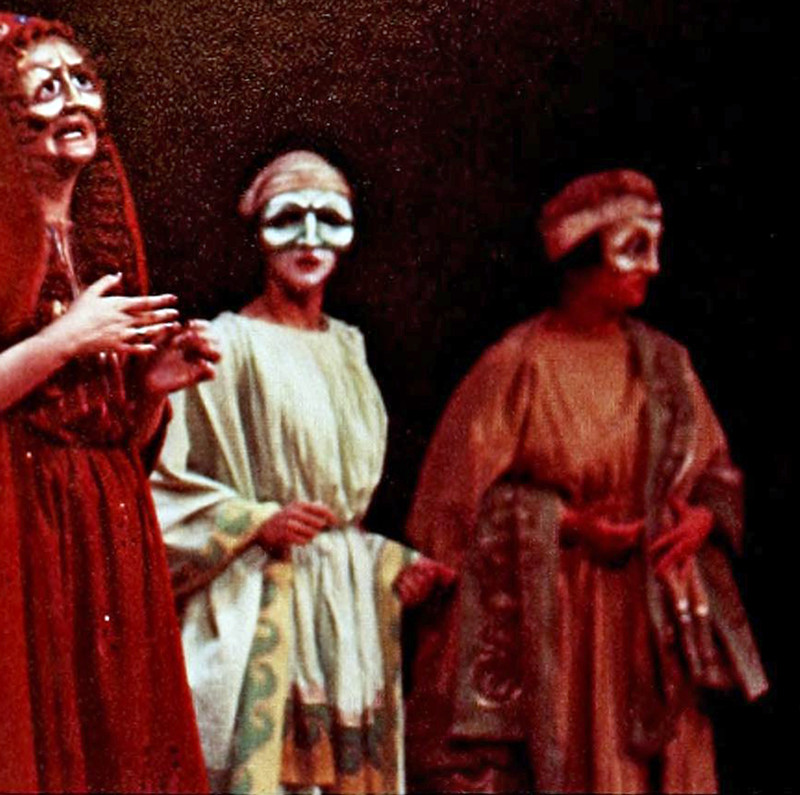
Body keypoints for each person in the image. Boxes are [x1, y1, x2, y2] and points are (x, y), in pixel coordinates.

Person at [404, 169, 767, 793]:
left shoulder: (666, 364)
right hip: (563, 626)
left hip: (653, 621)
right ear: (580, 256)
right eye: (633, 248)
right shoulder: (517, 365)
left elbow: (716, 471)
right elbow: (448, 513)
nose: (652, 267)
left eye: (655, 247)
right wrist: (566, 524)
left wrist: (703, 518)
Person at [151, 149, 453, 794]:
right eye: (288, 218)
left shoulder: (348, 346)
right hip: (259, 602)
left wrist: (383, 560)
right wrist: (256, 521)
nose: (309, 239)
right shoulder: (225, 344)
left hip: (344, 618)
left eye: (329, 220)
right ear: (259, 231)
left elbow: (341, 510)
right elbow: (160, 486)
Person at [0, 12, 217, 792]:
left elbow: (117, 435)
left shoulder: (100, 244)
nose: (73, 101)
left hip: (104, 522)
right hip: (18, 523)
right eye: (46, 88)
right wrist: (66, 338)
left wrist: (151, 387)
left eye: (82, 81)